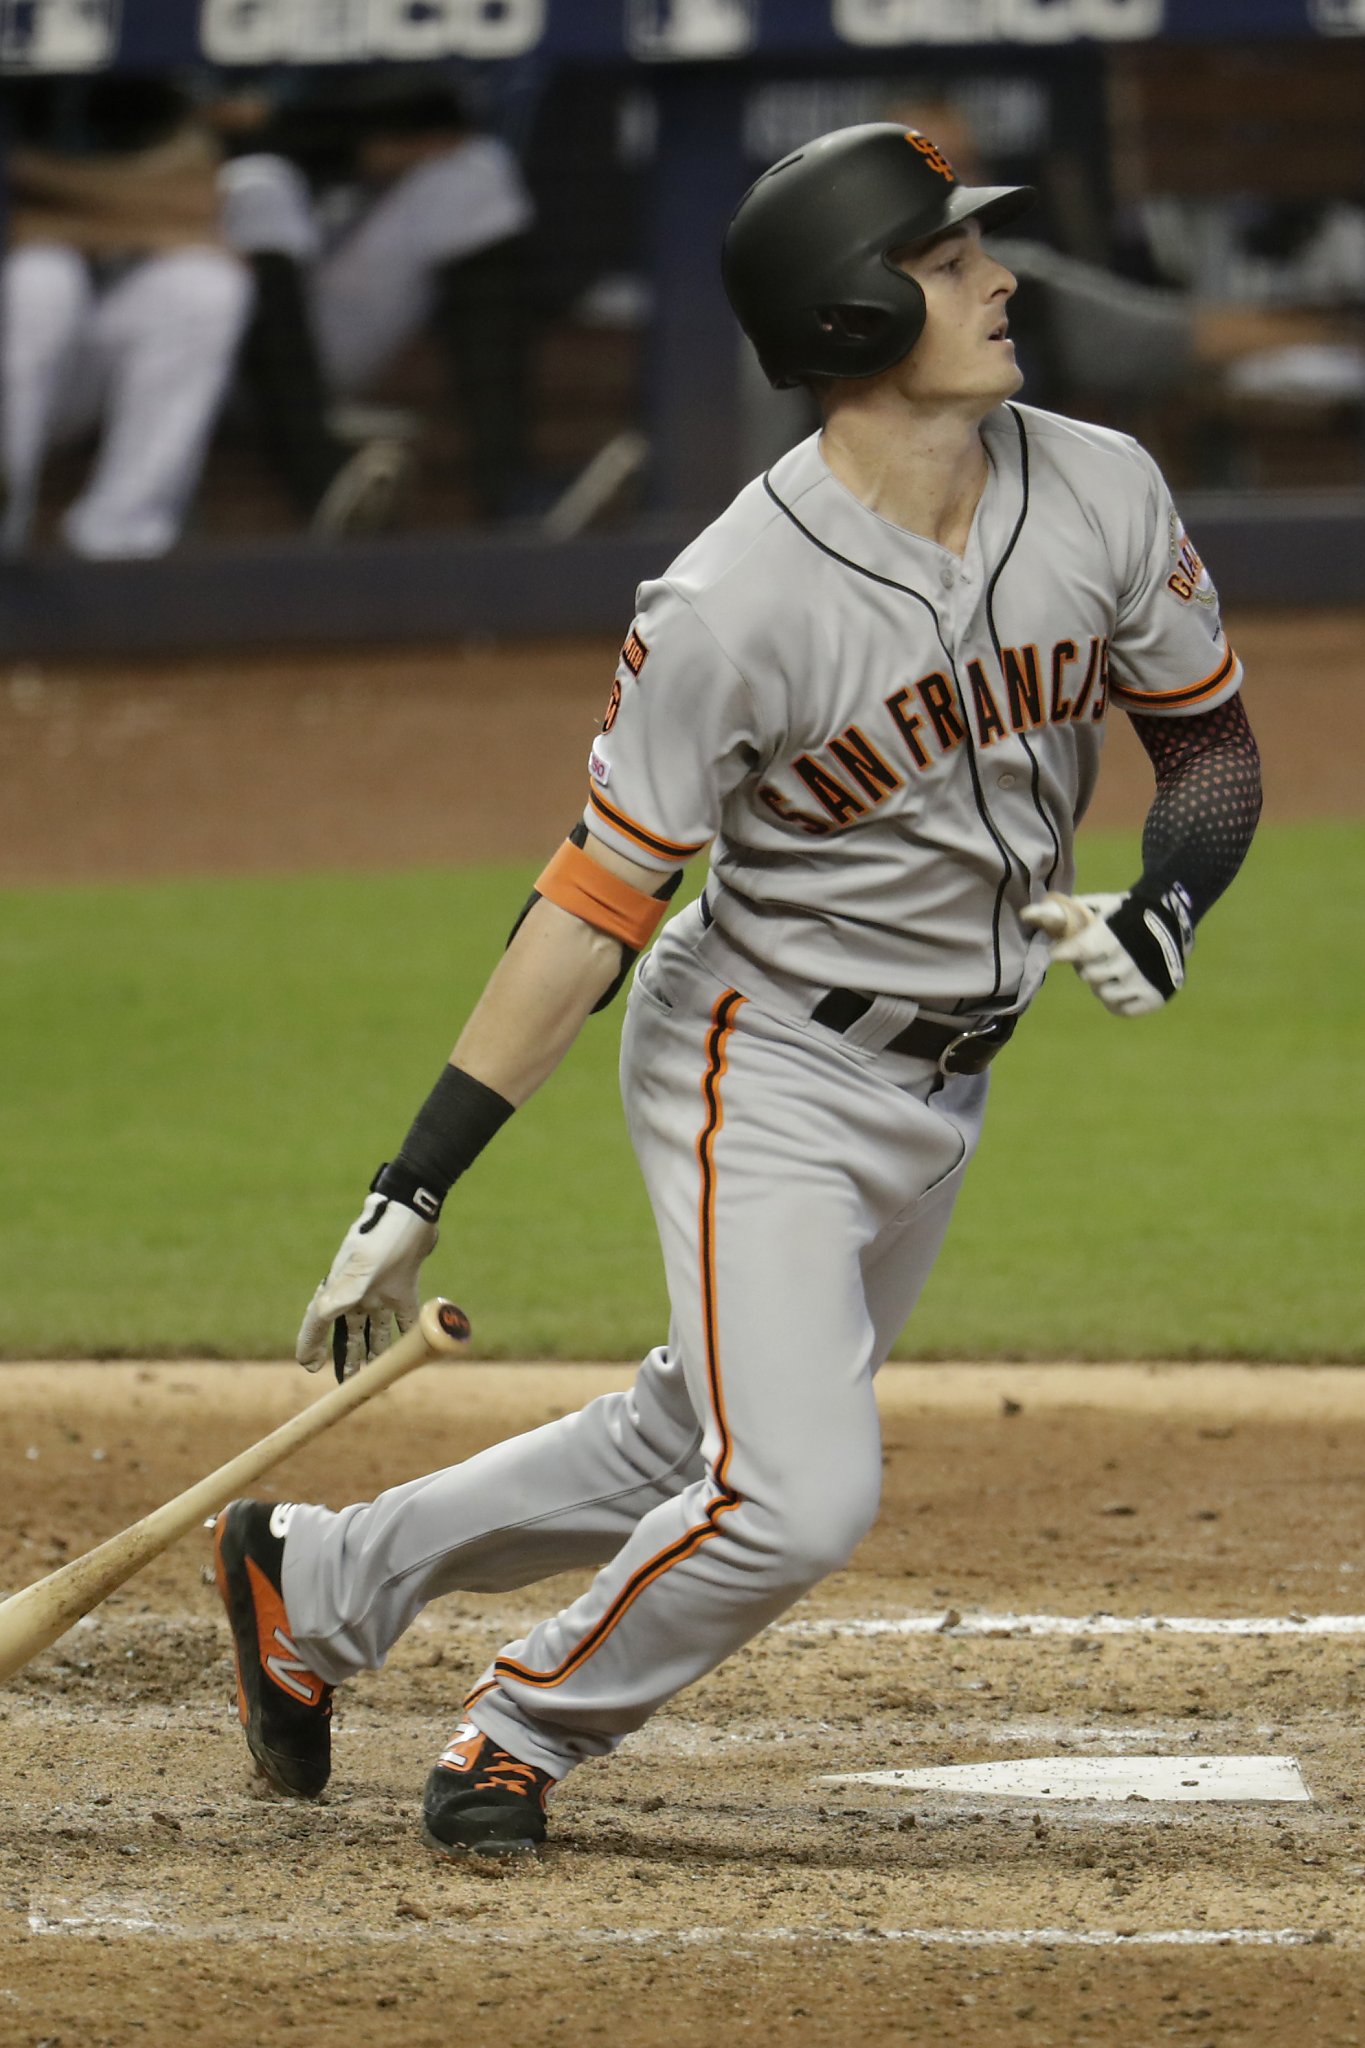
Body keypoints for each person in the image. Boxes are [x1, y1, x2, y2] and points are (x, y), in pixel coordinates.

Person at [212, 124, 1262, 1860]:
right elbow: (591, 899)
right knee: (794, 1490)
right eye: (945, 263)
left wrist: (1176, 890)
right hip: (756, 1057)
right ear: (854, 316)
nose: (998, 279)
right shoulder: (733, 600)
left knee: (690, 1434)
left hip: (949, 1077)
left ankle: (311, 1579)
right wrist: (417, 1173)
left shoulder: (1100, 487)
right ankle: (521, 1722)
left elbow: (1206, 740)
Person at [216, 72, 535, 528]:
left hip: (327, 305)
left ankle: (508, 489)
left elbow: (444, 111)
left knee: (476, 171)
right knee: (260, 188)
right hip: (212, 338)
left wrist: (346, 145)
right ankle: (319, 479)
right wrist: (348, 148)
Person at [1, 75, 252, 558]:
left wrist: (32, 177)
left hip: (80, 368)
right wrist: (141, 218)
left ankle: (119, 537)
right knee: (38, 278)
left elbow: (198, 198)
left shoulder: (144, 69)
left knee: (205, 284)